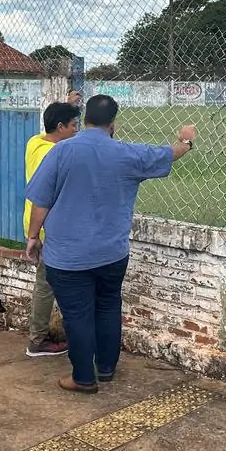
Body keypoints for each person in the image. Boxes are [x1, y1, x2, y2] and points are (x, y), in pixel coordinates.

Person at [25, 94, 196, 393]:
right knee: (107, 306)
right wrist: (186, 141)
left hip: (67, 255)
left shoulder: (60, 152)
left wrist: (32, 237)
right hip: (112, 253)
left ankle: (82, 377)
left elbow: (41, 201)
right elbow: (167, 154)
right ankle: (105, 368)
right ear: (113, 122)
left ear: (85, 118)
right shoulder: (126, 154)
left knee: (77, 315)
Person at [22, 100, 80, 357]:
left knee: (45, 282)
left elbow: (45, 130)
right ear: (60, 127)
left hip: (34, 220)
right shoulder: (55, 154)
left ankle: (41, 334)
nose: (77, 130)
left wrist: (65, 106)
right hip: (48, 225)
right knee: (48, 284)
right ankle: (38, 339)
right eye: (73, 125)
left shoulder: (35, 143)